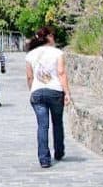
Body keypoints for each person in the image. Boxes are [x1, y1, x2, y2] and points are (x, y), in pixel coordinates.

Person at [24, 26, 72, 168]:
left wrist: (32, 90)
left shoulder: (30, 55)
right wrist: (67, 93)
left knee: (42, 126)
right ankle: (59, 151)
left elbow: (29, 77)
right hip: (55, 91)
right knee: (57, 123)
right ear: (49, 37)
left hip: (38, 92)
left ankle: (44, 159)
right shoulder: (58, 53)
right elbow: (61, 73)